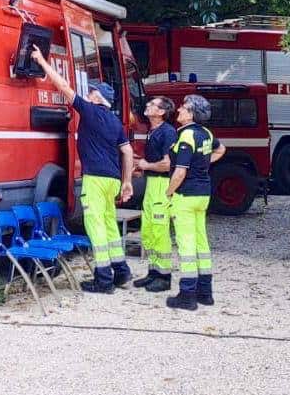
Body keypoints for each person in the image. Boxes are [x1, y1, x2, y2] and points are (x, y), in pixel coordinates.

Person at [29, 45, 134, 292]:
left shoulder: (91, 112)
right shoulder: (115, 121)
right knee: (109, 225)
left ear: (98, 98)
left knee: (95, 226)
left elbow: (64, 88)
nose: (88, 95)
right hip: (113, 180)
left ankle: (104, 280)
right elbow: (127, 151)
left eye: (92, 92)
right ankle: (121, 271)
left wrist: (43, 62)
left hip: (96, 180)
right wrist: (127, 181)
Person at [166, 94, 225, 311]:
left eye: (183, 107)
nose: (179, 109)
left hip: (186, 196)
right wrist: (202, 163)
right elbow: (221, 150)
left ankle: (187, 295)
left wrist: (168, 193)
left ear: (191, 114)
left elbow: (180, 172)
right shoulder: (207, 134)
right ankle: (205, 293)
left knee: (186, 245)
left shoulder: (186, 136)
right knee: (202, 242)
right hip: (203, 194)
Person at [133, 96, 177, 292]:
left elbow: (168, 164)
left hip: (162, 185)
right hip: (152, 184)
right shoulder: (153, 131)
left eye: (153, 105)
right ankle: (153, 271)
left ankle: (164, 276)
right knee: (148, 229)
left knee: (160, 230)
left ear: (161, 112)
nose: (148, 106)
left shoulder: (167, 132)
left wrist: (146, 165)